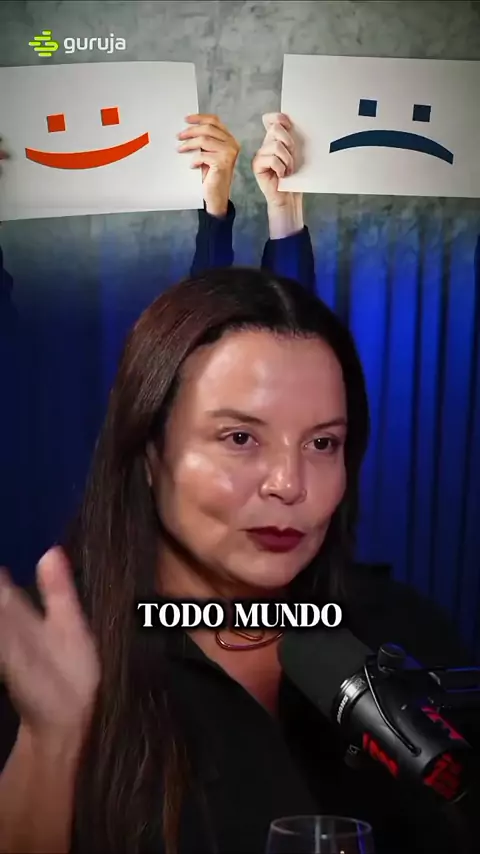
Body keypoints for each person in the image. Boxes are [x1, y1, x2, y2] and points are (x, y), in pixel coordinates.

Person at [0, 256, 477, 854]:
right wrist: (51, 740)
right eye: (241, 438)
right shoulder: (46, 662)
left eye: (322, 443)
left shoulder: (407, 630)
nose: (289, 484)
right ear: (149, 453)